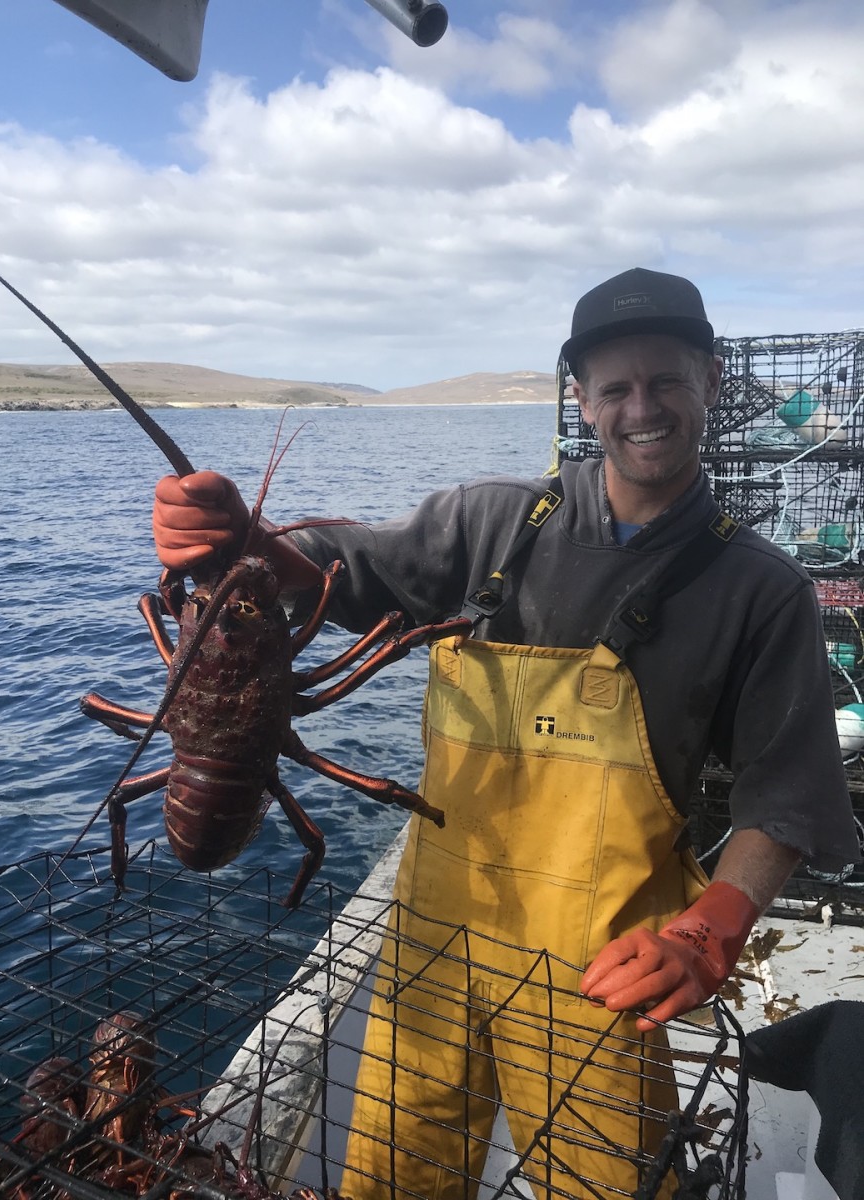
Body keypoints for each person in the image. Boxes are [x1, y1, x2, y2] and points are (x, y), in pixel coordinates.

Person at [152, 268, 860, 1199]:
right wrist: (251, 546)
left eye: (667, 381)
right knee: (392, 1176)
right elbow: (344, 572)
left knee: (605, 1184)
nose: (640, 408)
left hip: (601, 967)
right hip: (432, 941)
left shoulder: (761, 589)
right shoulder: (492, 522)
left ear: (712, 384)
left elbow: (786, 793)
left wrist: (711, 928)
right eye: (615, 387)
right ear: (581, 399)